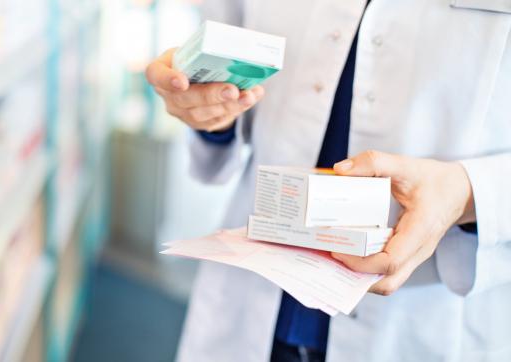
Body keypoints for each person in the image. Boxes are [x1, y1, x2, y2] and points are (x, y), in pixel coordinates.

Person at [145, 1, 511, 361]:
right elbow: (223, 62)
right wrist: (208, 111)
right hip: (253, 298)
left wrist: (467, 193)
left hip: (426, 312)